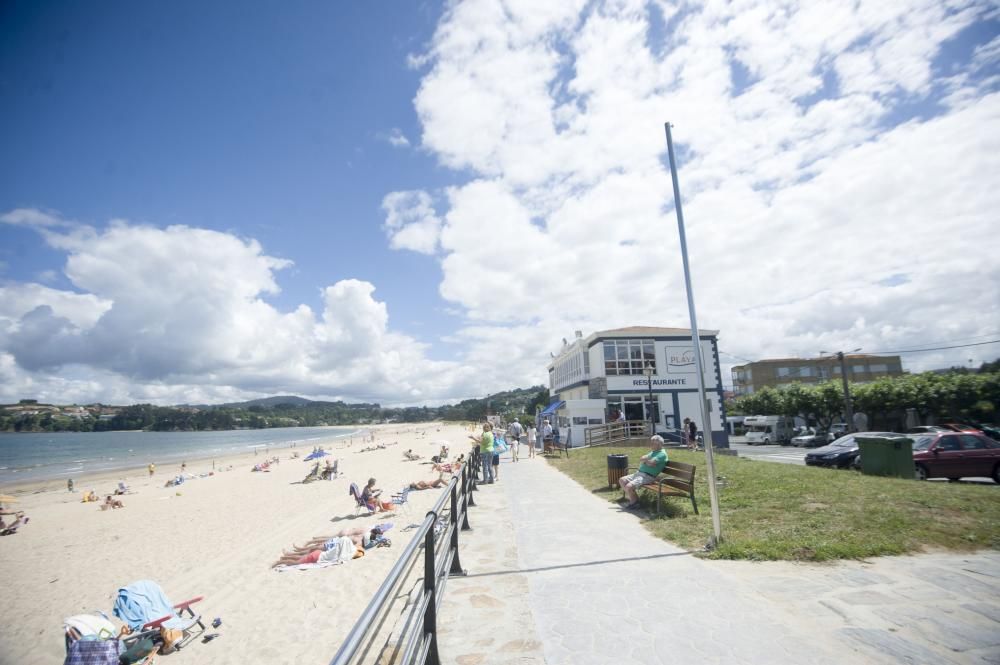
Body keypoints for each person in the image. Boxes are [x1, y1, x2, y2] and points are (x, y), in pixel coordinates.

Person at [618, 435, 668, 510]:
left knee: (628, 487)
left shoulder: (661, 454)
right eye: (651, 443)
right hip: (639, 473)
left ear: (659, 444)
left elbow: (651, 463)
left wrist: (646, 461)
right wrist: (647, 462)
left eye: (653, 443)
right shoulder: (653, 452)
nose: (651, 445)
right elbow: (642, 458)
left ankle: (634, 502)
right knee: (622, 480)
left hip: (647, 476)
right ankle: (636, 500)